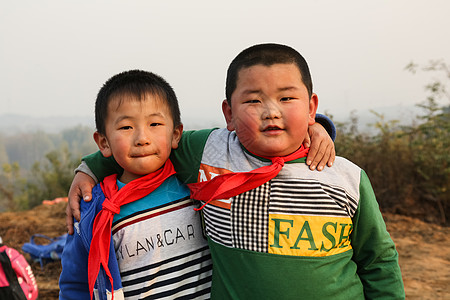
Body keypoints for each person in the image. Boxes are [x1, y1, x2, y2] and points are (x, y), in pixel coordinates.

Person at [58, 70, 213, 299]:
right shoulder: (94, 210)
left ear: (176, 134)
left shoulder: (195, 185)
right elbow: (75, 285)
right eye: (126, 127)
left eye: (155, 124)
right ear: (103, 142)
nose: (142, 138)